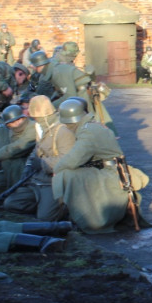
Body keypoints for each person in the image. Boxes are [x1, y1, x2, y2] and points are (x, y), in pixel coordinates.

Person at [51, 97, 130, 232]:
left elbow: (73, 159)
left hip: (110, 174)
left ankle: (84, 218)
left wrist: (56, 169)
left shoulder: (88, 131)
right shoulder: (90, 126)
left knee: (65, 174)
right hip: (110, 170)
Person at [0, 95, 73, 223]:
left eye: (35, 117)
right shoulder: (41, 129)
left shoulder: (62, 130)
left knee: (45, 218)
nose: (33, 119)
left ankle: (63, 208)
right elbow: (36, 151)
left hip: (52, 182)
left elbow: (67, 160)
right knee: (10, 203)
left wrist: (43, 164)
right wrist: (28, 167)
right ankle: (44, 205)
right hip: (37, 180)